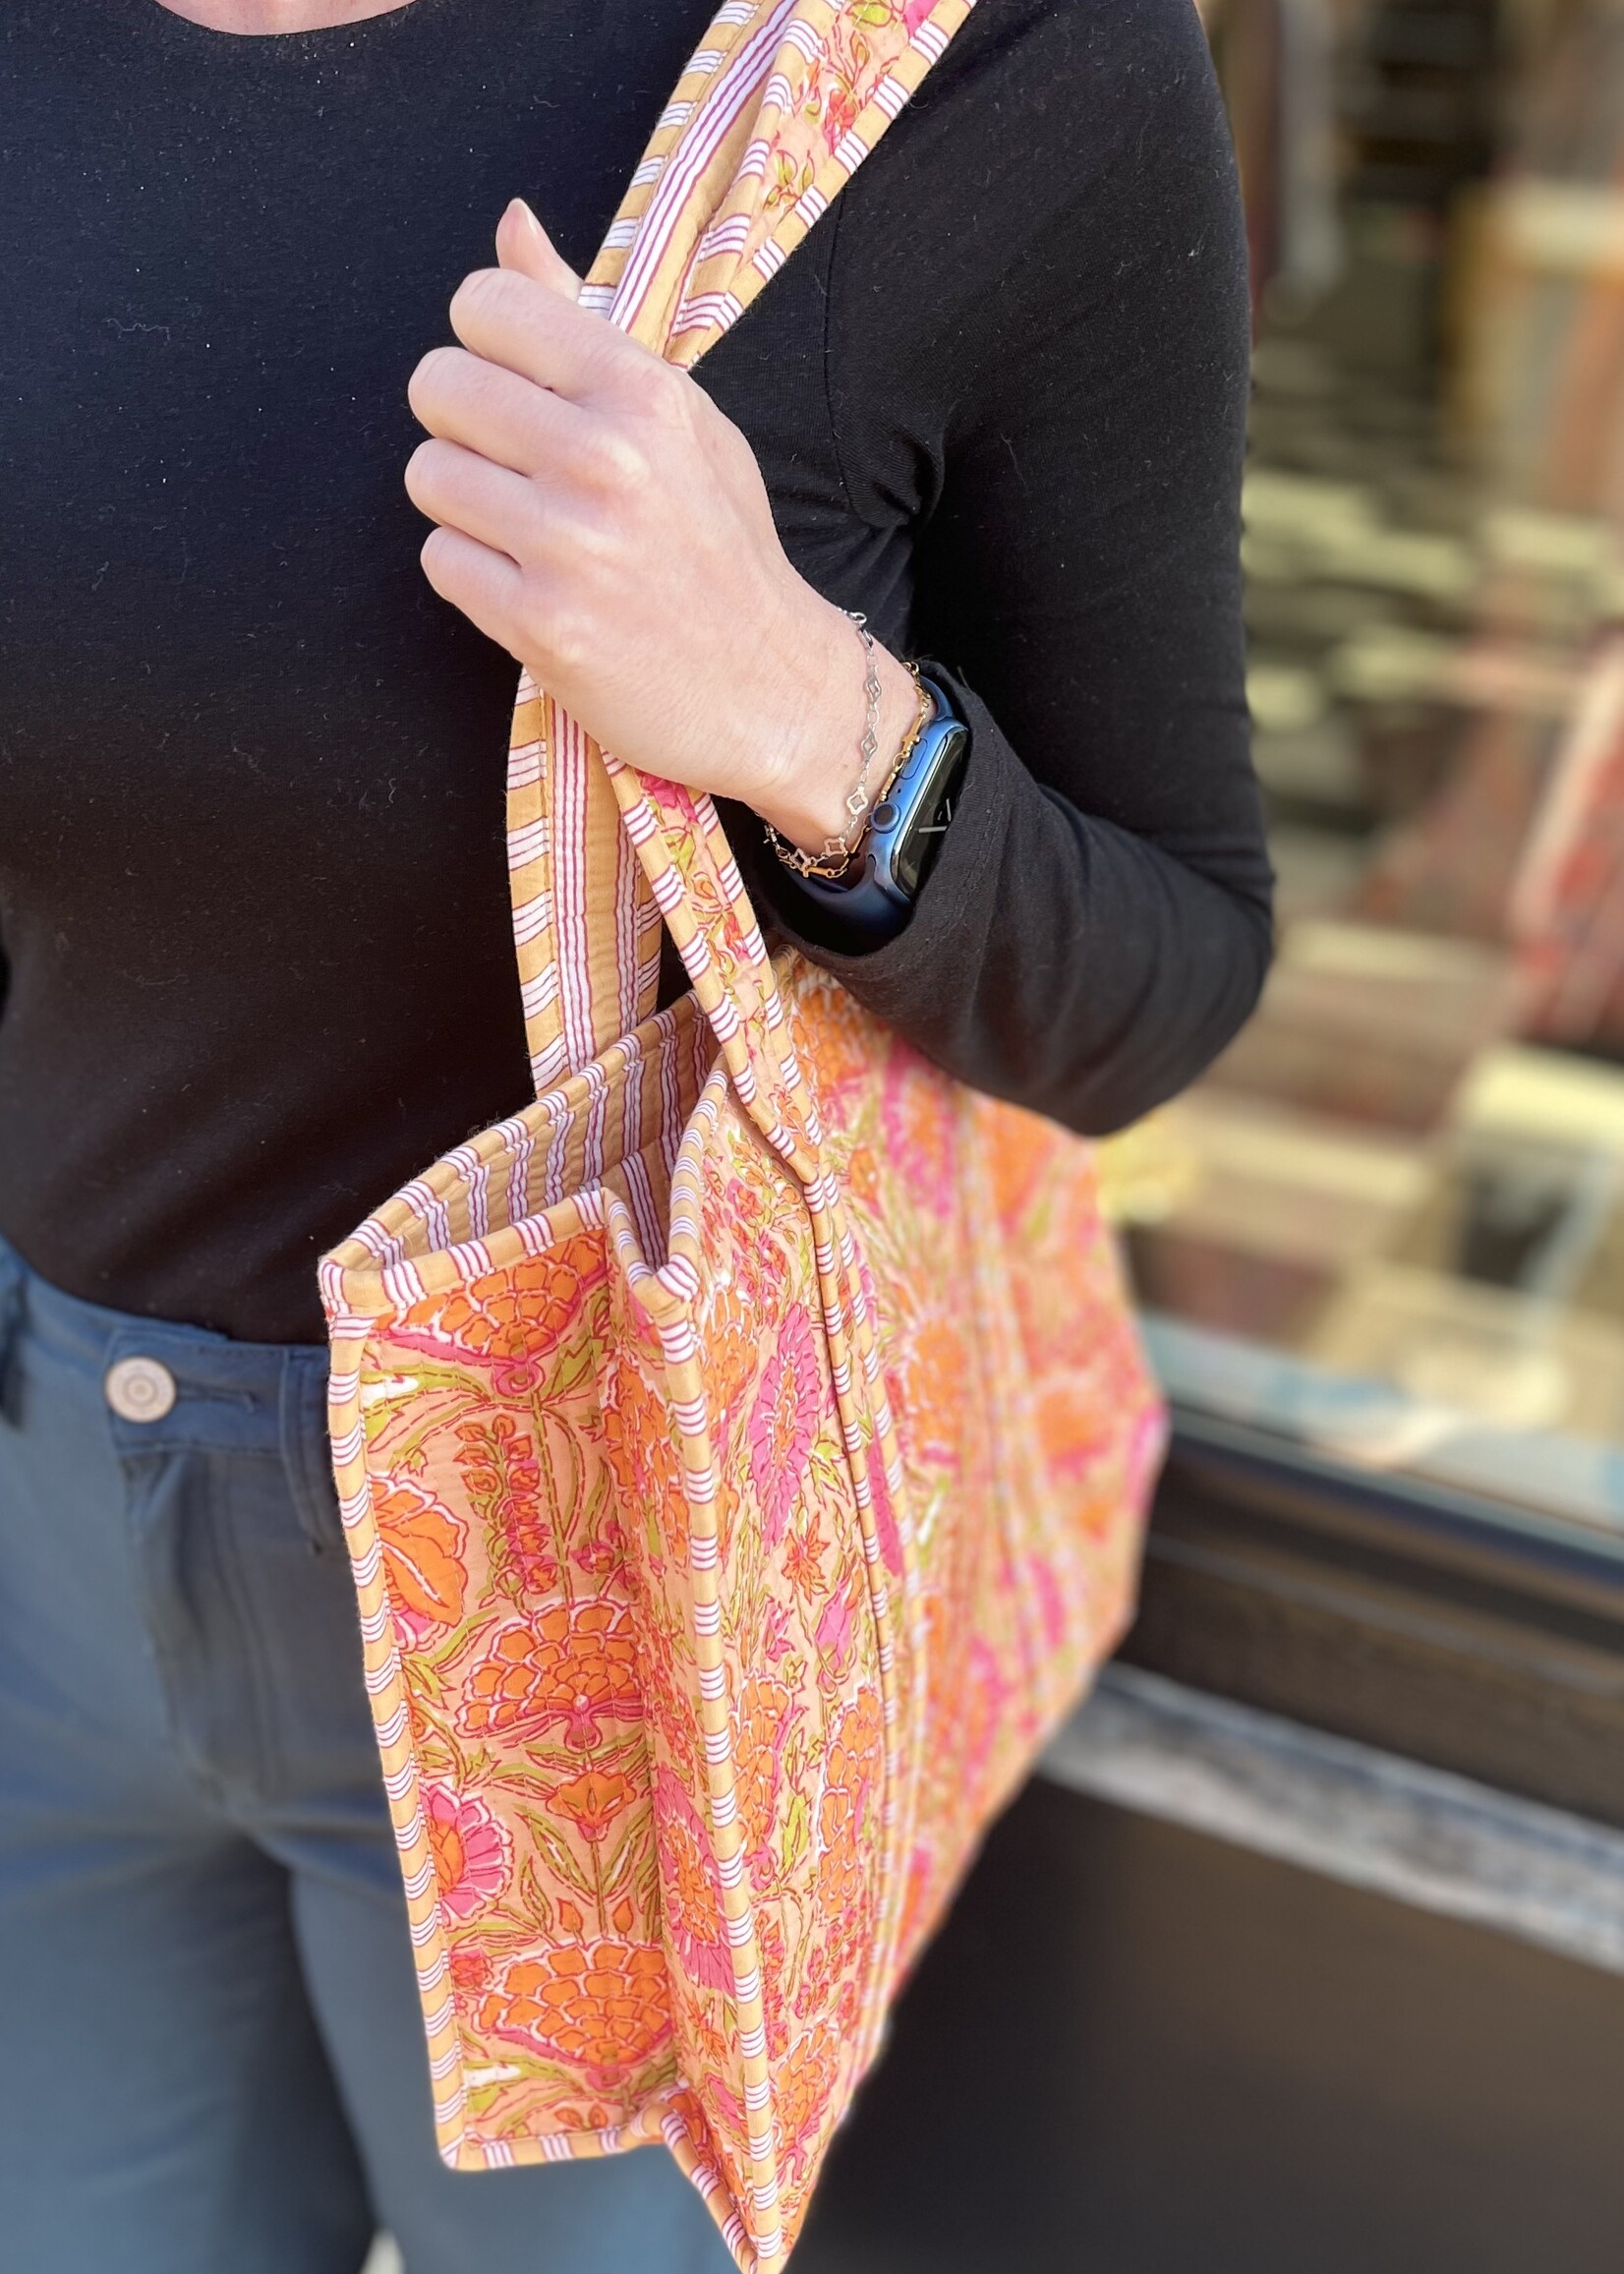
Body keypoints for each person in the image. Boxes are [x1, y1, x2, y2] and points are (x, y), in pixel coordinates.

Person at [0, 0, 1270, 2267]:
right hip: (37, 1525)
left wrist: (800, 712)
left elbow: (1165, 972)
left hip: (595, 1584)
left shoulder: (963, 60)